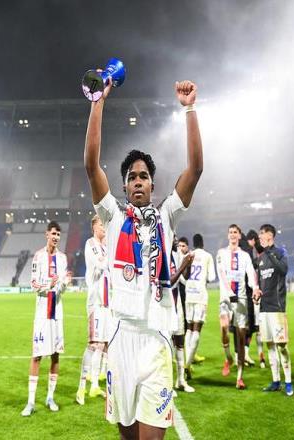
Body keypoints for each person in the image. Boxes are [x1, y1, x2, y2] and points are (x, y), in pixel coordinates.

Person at [84, 77, 203, 439]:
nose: (138, 180)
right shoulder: (113, 216)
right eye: (132, 177)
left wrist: (190, 109)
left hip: (156, 341)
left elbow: (195, 169)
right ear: (124, 186)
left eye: (144, 176)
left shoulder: (166, 215)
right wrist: (98, 101)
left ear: (152, 184)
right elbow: (91, 165)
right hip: (121, 338)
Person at [21, 221, 69, 416]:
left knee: (55, 355)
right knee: (37, 355)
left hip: (57, 313)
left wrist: (64, 284)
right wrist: (50, 284)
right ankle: (31, 402)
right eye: (53, 233)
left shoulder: (63, 258)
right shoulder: (38, 256)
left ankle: (50, 397)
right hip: (42, 313)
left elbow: (62, 287)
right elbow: (33, 284)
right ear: (46, 234)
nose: (56, 237)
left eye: (58, 234)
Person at [253, 224, 293, 396]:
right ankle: (276, 381)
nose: (260, 237)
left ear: (270, 235)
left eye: (262, 234)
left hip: (277, 307)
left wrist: (269, 251)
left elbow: (283, 270)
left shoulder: (280, 252)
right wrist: (257, 292)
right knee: (269, 345)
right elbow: (260, 281)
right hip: (264, 308)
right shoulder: (260, 259)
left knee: (282, 345)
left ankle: (288, 382)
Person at [216, 224, 259, 389]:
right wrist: (229, 292)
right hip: (226, 297)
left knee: (241, 337)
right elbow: (221, 273)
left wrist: (255, 288)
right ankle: (228, 358)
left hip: (241, 298)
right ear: (228, 235)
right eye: (230, 232)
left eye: (235, 232)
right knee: (224, 326)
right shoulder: (221, 253)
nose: (233, 234)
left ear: (240, 236)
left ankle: (239, 378)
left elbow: (251, 273)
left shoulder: (245, 256)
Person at [76, 215, 111, 405]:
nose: (104, 227)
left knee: (104, 344)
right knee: (93, 345)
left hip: (107, 303)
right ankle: (81, 387)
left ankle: (95, 385)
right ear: (94, 227)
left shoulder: (105, 247)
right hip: (96, 302)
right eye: (101, 224)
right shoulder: (91, 244)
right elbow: (102, 264)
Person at [184, 233, 216, 380]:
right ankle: (187, 364)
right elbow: (211, 277)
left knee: (189, 329)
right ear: (203, 243)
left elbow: (184, 275)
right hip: (200, 296)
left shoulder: (189, 255)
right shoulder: (207, 256)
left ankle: (186, 362)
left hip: (189, 294)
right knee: (197, 329)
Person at [169, 240, 195, 393]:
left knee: (180, 340)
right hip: (164, 304)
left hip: (177, 301)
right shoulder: (160, 254)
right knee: (166, 344)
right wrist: (183, 265)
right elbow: (168, 282)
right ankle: (167, 384)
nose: (176, 241)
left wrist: (188, 264)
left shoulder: (176, 254)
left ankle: (180, 380)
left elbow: (185, 278)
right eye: (173, 237)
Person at [246, 229, 266, 368]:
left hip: (257, 297)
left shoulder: (254, 262)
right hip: (258, 297)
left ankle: (258, 356)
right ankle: (261, 357)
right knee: (257, 328)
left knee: (256, 328)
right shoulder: (256, 263)